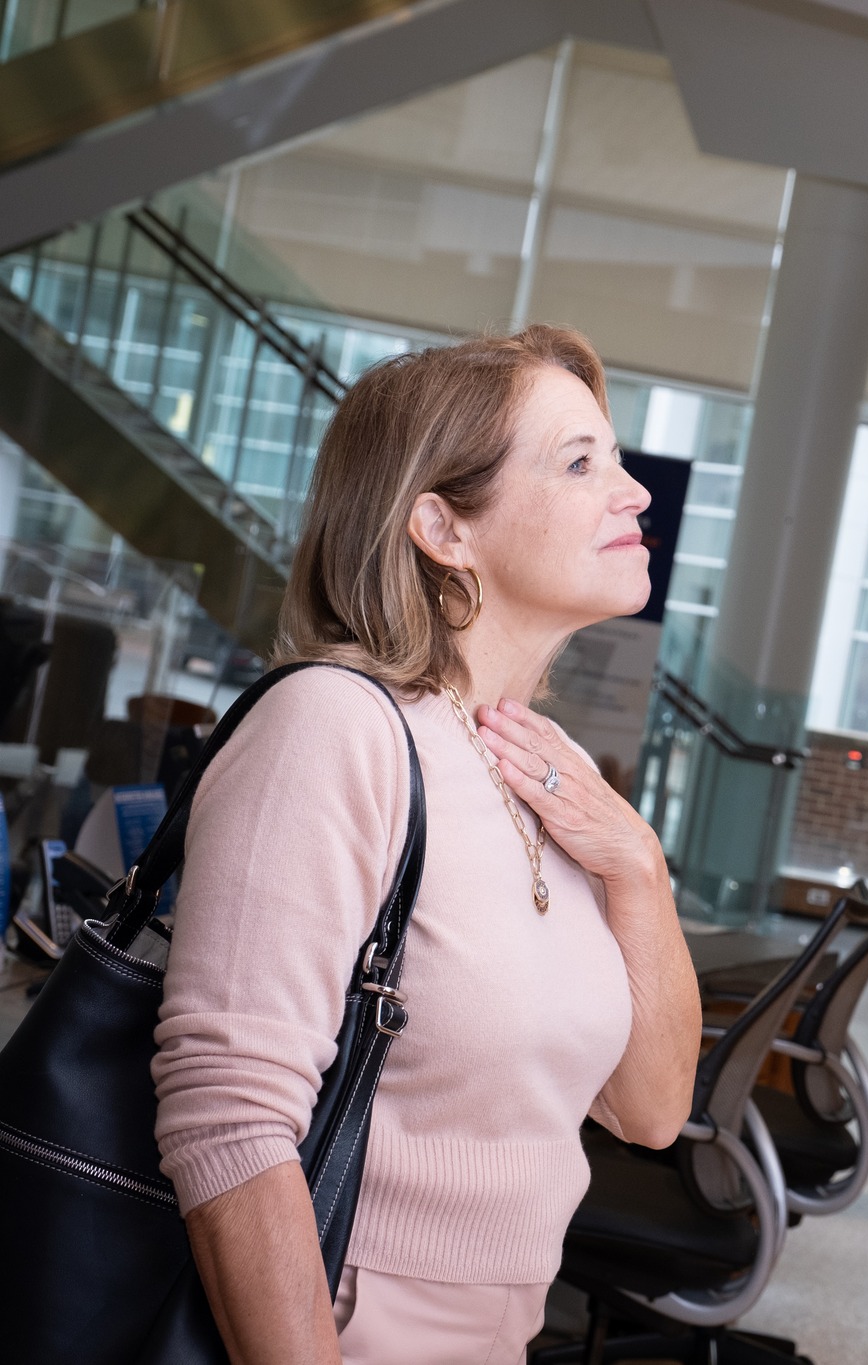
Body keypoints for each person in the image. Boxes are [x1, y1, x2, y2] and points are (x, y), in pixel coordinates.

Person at [150, 325, 701, 1363]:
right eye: (581, 463)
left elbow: (651, 1109)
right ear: (443, 527)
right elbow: (228, 1123)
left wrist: (639, 869)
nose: (633, 494)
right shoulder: (334, 727)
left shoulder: (545, 766)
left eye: (618, 461)